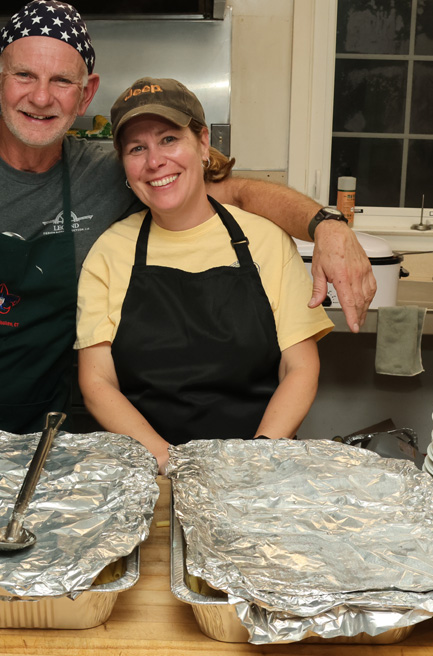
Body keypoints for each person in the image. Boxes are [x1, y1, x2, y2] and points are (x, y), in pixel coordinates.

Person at [0, 0, 375, 501]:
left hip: (27, 433)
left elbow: (230, 192)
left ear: (84, 94)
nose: (40, 97)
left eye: (60, 80)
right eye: (24, 75)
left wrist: (326, 224)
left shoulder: (106, 171)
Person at [75, 78, 334, 473]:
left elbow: (299, 367)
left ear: (202, 142)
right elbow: (98, 384)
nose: (154, 161)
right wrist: (169, 462)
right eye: (137, 148)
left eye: (168, 139)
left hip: (256, 467)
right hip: (147, 471)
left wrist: (256, 458)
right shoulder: (109, 252)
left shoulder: (264, 240)